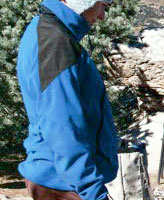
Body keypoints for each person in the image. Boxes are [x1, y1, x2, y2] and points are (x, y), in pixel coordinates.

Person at [16, 0, 118, 200]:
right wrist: (92, 192)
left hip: (57, 177)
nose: (102, 16)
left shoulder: (45, 29)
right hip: (63, 184)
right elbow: (62, 127)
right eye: (102, 5)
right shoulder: (55, 43)